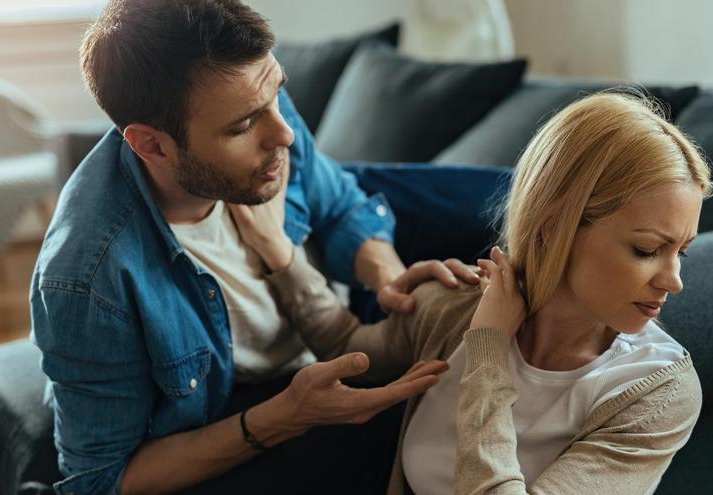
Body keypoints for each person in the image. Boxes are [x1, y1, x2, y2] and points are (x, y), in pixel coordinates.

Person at [30, 1, 481, 494]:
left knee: (525, 197)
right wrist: (281, 418)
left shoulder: (265, 111)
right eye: (242, 126)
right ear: (152, 146)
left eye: (277, 96)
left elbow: (340, 206)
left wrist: (388, 280)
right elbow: (99, 480)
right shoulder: (88, 280)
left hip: (331, 323)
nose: (283, 132)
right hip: (256, 407)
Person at [233, 91, 713, 494]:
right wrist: (282, 257)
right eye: (648, 249)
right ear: (554, 229)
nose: (673, 280)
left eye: (681, 251)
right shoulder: (462, 303)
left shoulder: (654, 392)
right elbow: (348, 348)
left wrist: (488, 354)